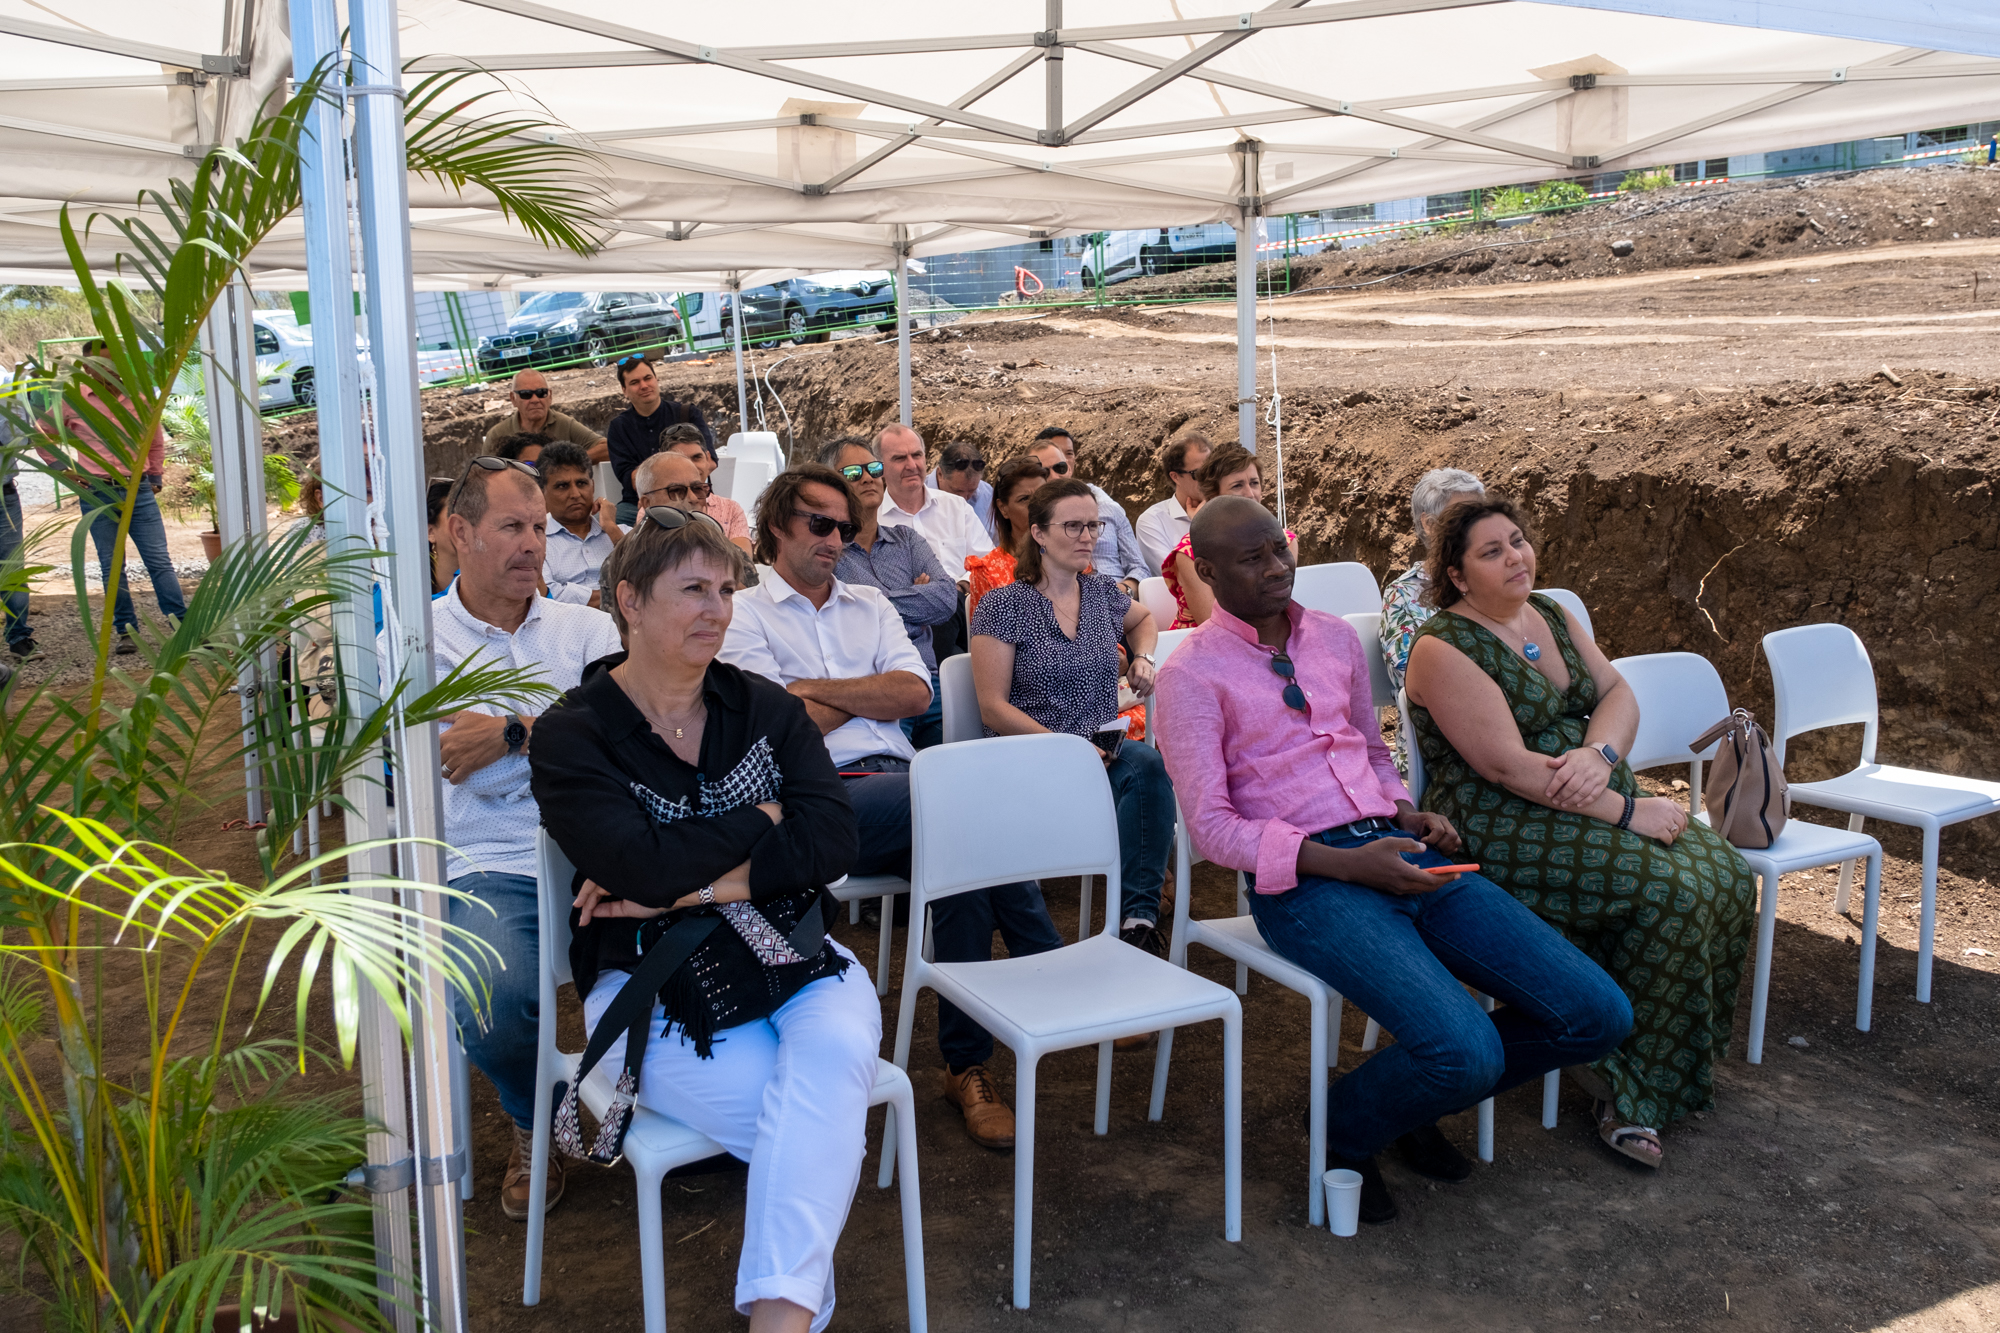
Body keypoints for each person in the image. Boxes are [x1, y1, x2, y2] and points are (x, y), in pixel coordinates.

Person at [1154, 496, 1631, 1223]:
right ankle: (1342, 1130)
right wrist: (1347, 864)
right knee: (1466, 1050)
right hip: (1309, 885)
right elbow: (1214, 829)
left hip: (1397, 846)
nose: (1278, 567)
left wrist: (1406, 810)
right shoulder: (1190, 672)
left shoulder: (1336, 642)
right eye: (1252, 560)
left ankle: (1400, 1101)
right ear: (1208, 572)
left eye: (1280, 549)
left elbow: (1371, 752)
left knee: (1595, 1013)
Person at [529, 512, 875, 1333]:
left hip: (798, 957)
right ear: (630, 601)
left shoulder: (762, 706)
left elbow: (833, 839)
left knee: (821, 1081)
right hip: (645, 988)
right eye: (693, 589)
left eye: (725, 588)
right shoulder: (572, 734)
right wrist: (763, 811)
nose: (718, 608)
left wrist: (691, 889)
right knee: (816, 1123)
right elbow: (638, 868)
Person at [1403, 494, 1756, 1171]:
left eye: (1517, 541)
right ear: (1456, 574)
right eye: (1491, 551)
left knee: (1725, 875)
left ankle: (1669, 1057)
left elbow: (1619, 693)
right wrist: (1628, 812)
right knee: (1667, 891)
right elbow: (1506, 766)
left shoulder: (1555, 614)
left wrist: (1600, 757)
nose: (1514, 556)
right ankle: (1629, 1091)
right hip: (1506, 820)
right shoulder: (1443, 646)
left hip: (1592, 792)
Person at [723, 464, 1053, 1151]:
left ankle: (966, 1067)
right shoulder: (741, 613)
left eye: (845, 526)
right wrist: (849, 693)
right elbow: (773, 727)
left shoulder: (869, 604)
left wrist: (813, 689)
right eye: (820, 523)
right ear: (776, 526)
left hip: (904, 789)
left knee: (959, 856)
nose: (836, 538)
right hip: (810, 799)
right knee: (959, 808)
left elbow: (915, 693)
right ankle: (1046, 965)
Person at [428, 455, 624, 1221]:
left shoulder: (588, 625)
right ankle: (535, 1112)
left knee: (713, 942)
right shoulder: (420, 643)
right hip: (494, 857)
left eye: (539, 528)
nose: (532, 544)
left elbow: (621, 730)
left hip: (602, 843)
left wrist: (511, 732)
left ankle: (691, 1106)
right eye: (512, 526)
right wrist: (565, 730)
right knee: (494, 998)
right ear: (460, 530)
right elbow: (446, 759)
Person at [969, 478, 1173, 961]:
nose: (1089, 537)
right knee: (1142, 768)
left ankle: (1137, 921)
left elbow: (1144, 620)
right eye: (1075, 526)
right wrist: (1068, 749)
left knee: (1148, 766)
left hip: (1102, 747)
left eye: (1094, 526)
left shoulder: (1101, 592)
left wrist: (1142, 657)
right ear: (1038, 534)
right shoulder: (1004, 605)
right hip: (1032, 754)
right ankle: (1133, 922)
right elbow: (992, 707)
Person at [47, 340, 186, 653]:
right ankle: (127, 632)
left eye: (111, 363)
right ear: (85, 367)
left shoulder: (139, 400)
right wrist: (65, 471)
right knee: (112, 565)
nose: (106, 370)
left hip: (138, 490)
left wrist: (155, 476)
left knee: (159, 561)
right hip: (97, 493)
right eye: (98, 364)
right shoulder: (73, 401)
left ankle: (181, 624)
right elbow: (43, 434)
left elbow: (154, 442)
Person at [820, 436, 955, 751]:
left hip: (931, 681)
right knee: (903, 783)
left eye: (874, 468)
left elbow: (946, 600)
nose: (867, 477)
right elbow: (845, 616)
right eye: (853, 472)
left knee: (970, 769)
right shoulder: (827, 551)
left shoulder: (906, 540)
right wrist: (913, 594)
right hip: (876, 686)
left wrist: (872, 600)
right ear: (830, 485)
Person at [1162, 444, 1296, 630]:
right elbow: (1211, 624)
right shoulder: (1189, 553)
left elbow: (1279, 608)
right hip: (1205, 644)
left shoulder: (1285, 541)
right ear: (1214, 495)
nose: (1250, 494)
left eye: (1254, 483)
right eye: (1237, 486)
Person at [1381, 467, 1485, 692]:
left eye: (1481, 516)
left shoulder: (1494, 581)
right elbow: (1410, 676)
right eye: (1465, 518)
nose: (1479, 528)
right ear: (1430, 525)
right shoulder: (1404, 594)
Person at [1029, 426, 1147, 594]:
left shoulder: (1110, 508)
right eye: (1044, 471)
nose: (1054, 476)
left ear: (1069, 467)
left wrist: (1121, 593)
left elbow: (1139, 568)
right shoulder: (1029, 517)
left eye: (1061, 465)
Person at [607, 355, 713, 524]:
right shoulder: (618, 427)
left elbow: (710, 461)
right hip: (636, 506)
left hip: (694, 498)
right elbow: (630, 479)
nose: (644, 385)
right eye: (634, 382)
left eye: (647, 378)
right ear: (624, 390)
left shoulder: (688, 414)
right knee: (607, 528)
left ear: (657, 379)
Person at [962, 456, 1049, 619]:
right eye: (1025, 499)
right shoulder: (988, 573)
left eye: (1044, 496)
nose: (1038, 506)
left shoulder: (1069, 557)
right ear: (1003, 508)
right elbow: (984, 640)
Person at [539, 441, 624, 606]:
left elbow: (648, 577)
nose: (575, 494)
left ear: (593, 486)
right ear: (542, 492)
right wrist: (623, 595)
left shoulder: (619, 533)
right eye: (562, 486)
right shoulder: (537, 541)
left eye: (581, 483)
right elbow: (547, 595)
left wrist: (611, 529)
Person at [483, 368, 607, 463]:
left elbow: (607, 448)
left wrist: (569, 464)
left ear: (550, 396)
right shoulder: (497, 434)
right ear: (513, 398)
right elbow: (485, 475)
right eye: (526, 394)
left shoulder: (565, 424)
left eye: (541, 393)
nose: (535, 399)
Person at [662, 422, 753, 552]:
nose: (691, 466)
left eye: (696, 457)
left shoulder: (731, 509)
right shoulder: (654, 507)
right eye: (681, 459)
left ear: (708, 459)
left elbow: (744, 563)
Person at [1134, 431, 1212, 577]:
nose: (1208, 478)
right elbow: (1179, 577)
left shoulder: (1226, 513)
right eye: (1199, 473)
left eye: (1212, 470)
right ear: (1175, 476)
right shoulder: (1152, 522)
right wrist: (1200, 527)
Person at [1, 405, 38, 661]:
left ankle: (18, 637)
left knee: (13, 568)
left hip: (5, 494)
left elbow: (19, 439)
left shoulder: (6, 385)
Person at [928, 440, 993, 539]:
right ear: (940, 474)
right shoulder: (915, 495)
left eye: (972, 490)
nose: (964, 498)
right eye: (958, 491)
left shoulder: (987, 494)